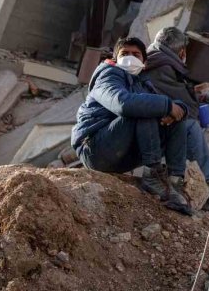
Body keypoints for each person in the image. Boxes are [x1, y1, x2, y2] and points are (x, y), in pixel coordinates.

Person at [71, 37, 193, 215]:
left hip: (121, 155)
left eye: (135, 54)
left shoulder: (142, 84)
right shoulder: (107, 76)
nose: (130, 58)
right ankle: (152, 174)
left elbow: (173, 106)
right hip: (95, 149)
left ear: (144, 62)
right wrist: (167, 105)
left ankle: (174, 182)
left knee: (175, 120)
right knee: (143, 109)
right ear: (115, 58)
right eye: (124, 54)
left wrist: (178, 109)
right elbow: (122, 104)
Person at [142, 27, 209, 186]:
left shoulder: (153, 56)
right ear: (182, 52)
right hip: (150, 127)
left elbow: (172, 91)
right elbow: (188, 106)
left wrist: (193, 90)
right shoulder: (163, 66)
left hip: (148, 120)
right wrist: (194, 96)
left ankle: (193, 178)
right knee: (190, 125)